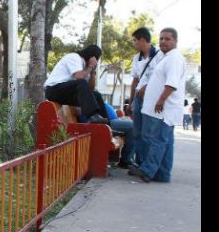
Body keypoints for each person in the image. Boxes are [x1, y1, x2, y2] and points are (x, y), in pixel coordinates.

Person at [128, 28, 186, 183]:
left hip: (163, 108)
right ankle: (162, 174)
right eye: (161, 38)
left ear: (175, 41)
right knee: (164, 141)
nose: (163, 42)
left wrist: (161, 100)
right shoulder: (166, 57)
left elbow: (172, 84)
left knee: (156, 140)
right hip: (159, 108)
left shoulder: (174, 58)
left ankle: (147, 171)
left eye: (168, 39)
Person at [44, 45, 109, 124]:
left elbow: (90, 89)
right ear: (92, 57)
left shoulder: (85, 68)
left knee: (96, 95)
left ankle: (107, 126)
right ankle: (93, 116)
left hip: (64, 93)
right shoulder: (74, 57)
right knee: (81, 82)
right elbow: (78, 77)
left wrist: (92, 72)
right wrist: (90, 67)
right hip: (53, 89)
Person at [127, 27, 162, 165]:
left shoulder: (159, 56)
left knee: (149, 133)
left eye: (135, 40)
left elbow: (161, 78)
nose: (134, 43)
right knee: (137, 132)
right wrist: (130, 102)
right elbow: (135, 80)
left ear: (143, 40)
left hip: (152, 99)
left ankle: (148, 164)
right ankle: (139, 162)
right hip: (138, 99)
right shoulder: (137, 58)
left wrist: (147, 87)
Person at [79, 102, 135, 168]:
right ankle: (126, 160)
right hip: (106, 123)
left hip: (110, 121)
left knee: (133, 126)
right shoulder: (83, 96)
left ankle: (127, 159)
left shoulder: (90, 95)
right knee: (133, 127)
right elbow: (80, 111)